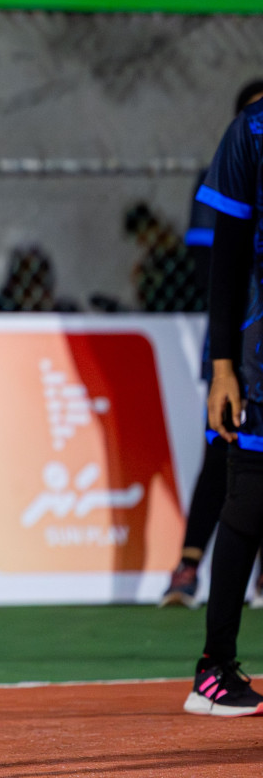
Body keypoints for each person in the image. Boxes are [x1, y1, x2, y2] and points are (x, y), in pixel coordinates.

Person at [161, 79, 263, 611]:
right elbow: (214, 264)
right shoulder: (229, 165)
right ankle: (188, 567)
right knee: (225, 456)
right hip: (240, 342)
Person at [186, 84, 263, 717]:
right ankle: (214, 670)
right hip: (260, 355)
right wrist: (222, 368)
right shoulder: (253, 133)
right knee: (249, 499)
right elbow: (228, 259)